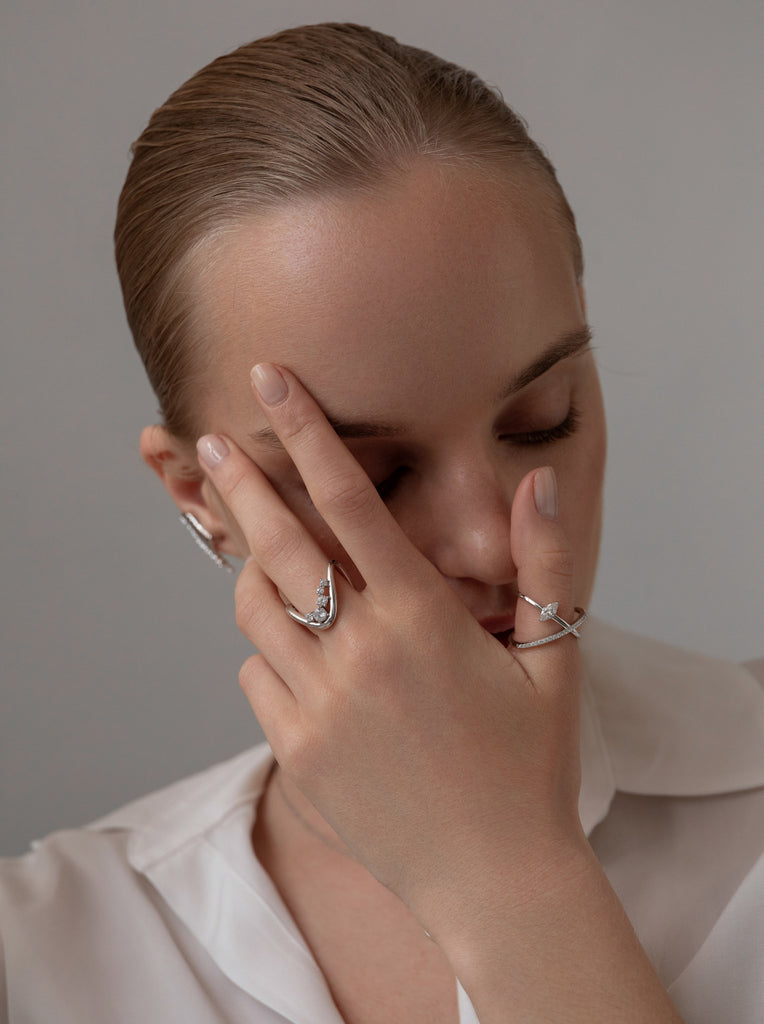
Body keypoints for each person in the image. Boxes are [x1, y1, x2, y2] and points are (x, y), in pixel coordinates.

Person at [1, 22, 762, 1024]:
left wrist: (504, 880)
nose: (494, 544)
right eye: (368, 476)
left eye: (541, 420)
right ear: (198, 493)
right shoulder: (45, 949)